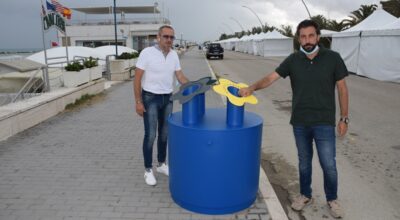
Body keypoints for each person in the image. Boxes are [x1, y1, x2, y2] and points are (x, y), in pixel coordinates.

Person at [239, 20, 349, 219]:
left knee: (328, 164)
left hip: (324, 122)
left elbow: (342, 88)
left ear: (318, 36)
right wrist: (252, 87)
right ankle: (305, 195)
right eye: (303, 36)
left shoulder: (333, 58)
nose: (307, 40)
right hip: (300, 122)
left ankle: (332, 199)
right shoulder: (293, 60)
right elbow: (271, 78)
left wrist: (344, 118)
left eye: (311, 35)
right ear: (299, 38)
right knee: (304, 162)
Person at [134, 25, 189, 186]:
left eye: (172, 37)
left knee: (164, 134)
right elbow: (137, 78)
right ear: (158, 37)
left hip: (167, 98)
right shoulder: (147, 53)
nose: (169, 40)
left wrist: (194, 86)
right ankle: (148, 169)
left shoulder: (173, 55)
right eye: (166, 36)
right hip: (150, 98)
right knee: (151, 135)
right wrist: (138, 102)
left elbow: (179, 76)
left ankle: (161, 164)